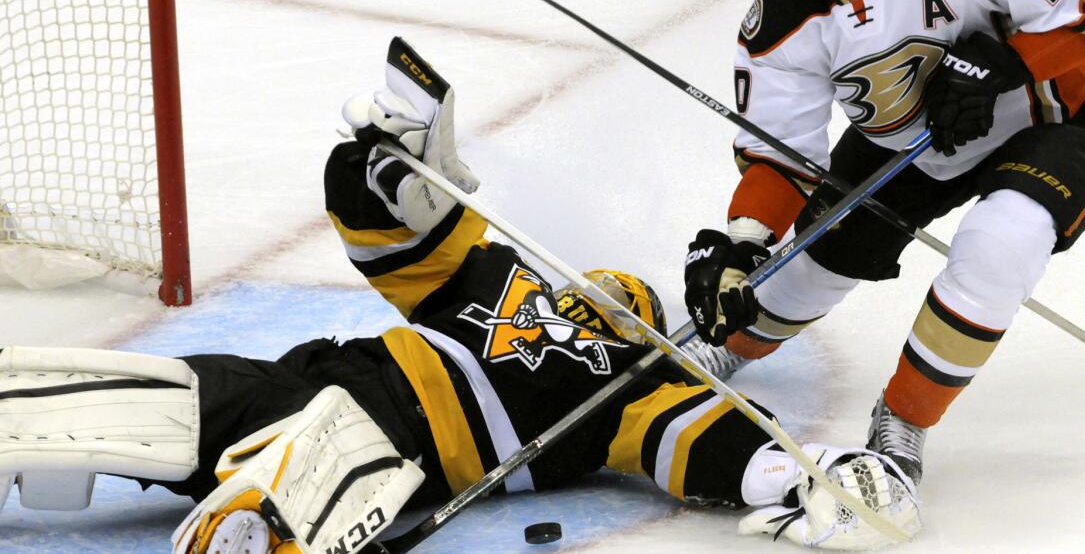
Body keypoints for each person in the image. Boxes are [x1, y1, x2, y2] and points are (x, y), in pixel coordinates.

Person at [0, 37, 919, 553]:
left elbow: (720, 449)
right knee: (179, 400)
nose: (611, 288)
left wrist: (817, 473)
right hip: (323, 373)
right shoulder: (512, 275)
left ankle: (260, 525)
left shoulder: (639, 394)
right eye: (612, 284)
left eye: (628, 296)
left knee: (325, 453)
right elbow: (391, 233)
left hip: (407, 440)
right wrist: (383, 164)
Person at [681, 0, 1085, 487]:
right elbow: (782, 158)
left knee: (1001, 243)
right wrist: (742, 242)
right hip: (908, 143)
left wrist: (1009, 63)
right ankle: (732, 342)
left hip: (1050, 119)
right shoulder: (784, 17)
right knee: (814, 264)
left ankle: (903, 420)